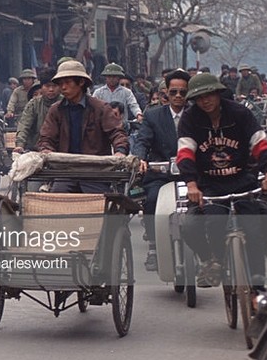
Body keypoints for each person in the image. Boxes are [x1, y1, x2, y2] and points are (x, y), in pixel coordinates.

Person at [177, 73, 267, 291]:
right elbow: (185, 153)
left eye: (209, 95)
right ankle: (211, 262)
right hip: (210, 186)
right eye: (199, 97)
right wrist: (192, 185)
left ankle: (257, 288)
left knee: (259, 228)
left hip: (243, 181)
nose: (205, 101)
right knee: (193, 226)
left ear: (218, 92)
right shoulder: (190, 118)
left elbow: (259, 143)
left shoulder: (239, 113)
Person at [36, 59, 129, 193]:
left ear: (81, 82)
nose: (63, 87)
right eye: (61, 83)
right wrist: (46, 150)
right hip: (65, 172)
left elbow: (117, 133)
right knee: (56, 199)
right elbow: (46, 137)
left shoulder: (100, 108)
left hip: (95, 172)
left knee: (99, 203)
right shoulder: (55, 110)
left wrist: (120, 151)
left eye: (67, 83)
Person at [133, 69, 191, 272]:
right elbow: (142, 141)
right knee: (151, 201)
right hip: (161, 174)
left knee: (206, 205)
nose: (177, 97)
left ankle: (207, 250)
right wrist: (140, 158)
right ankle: (153, 247)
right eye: (173, 92)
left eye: (182, 93)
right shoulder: (153, 116)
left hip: (191, 176)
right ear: (166, 92)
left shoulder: (197, 116)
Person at [14, 67, 61, 153]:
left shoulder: (64, 102)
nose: (51, 89)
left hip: (60, 149)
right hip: (36, 148)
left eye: (54, 86)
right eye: (47, 86)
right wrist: (20, 145)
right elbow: (24, 125)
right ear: (42, 87)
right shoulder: (34, 103)